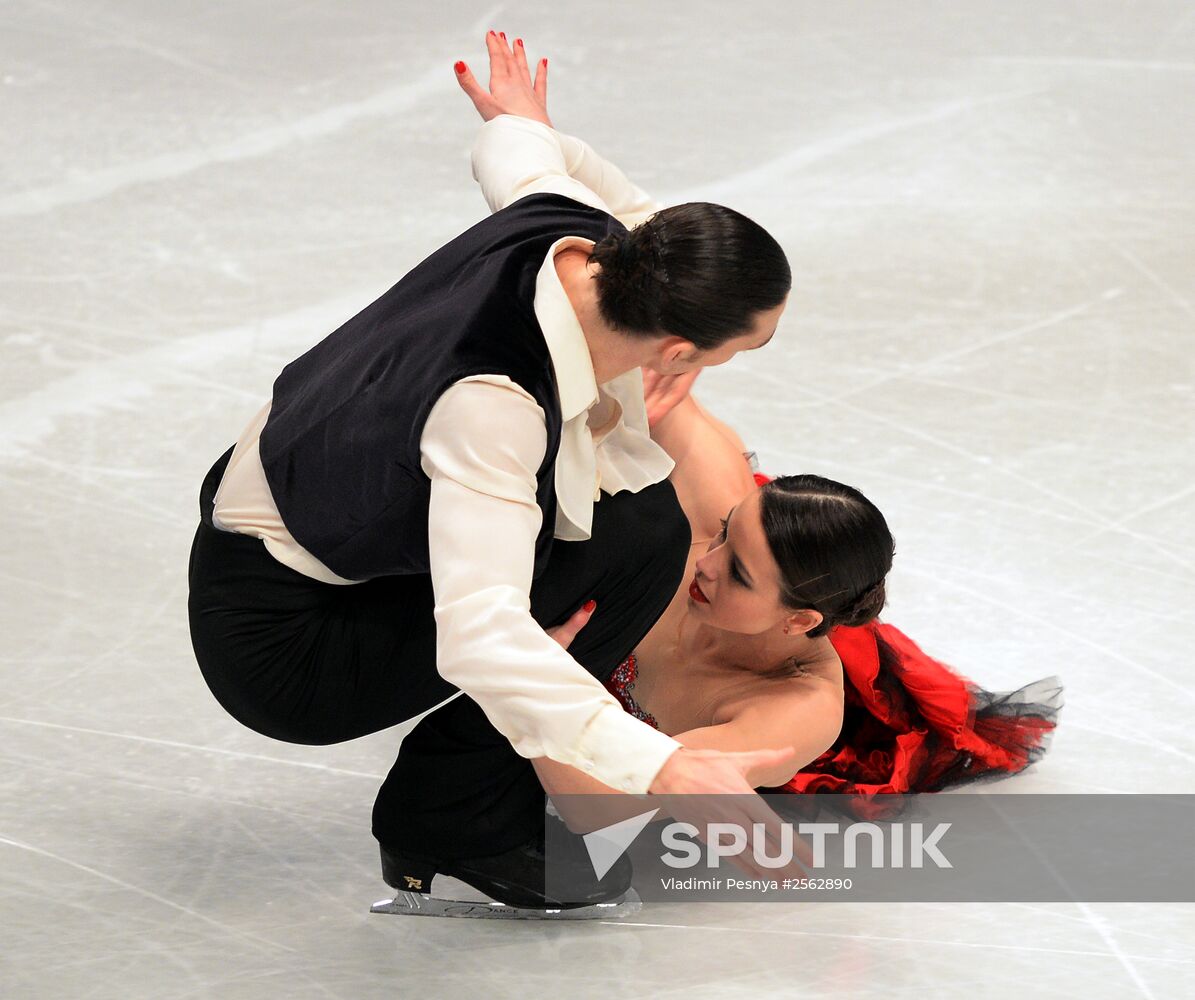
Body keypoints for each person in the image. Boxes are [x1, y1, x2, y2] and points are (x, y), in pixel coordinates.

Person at [187, 30, 799, 913]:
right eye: (744, 345)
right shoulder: (492, 406)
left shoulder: (567, 228)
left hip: (310, 511)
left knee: (639, 528)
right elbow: (478, 635)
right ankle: (458, 817)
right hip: (287, 646)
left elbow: (521, 148)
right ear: (675, 346)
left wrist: (524, 118)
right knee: (620, 554)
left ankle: (471, 785)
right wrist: (664, 764)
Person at [533, 369, 1064, 824]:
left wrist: (533, 680)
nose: (705, 562)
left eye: (738, 574)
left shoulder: (794, 711)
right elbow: (652, 360)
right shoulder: (713, 496)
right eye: (722, 532)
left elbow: (596, 804)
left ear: (798, 619)